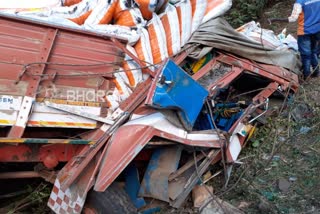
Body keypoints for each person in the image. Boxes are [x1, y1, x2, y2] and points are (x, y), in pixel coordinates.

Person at [270, 0, 320, 80]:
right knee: (314, 51)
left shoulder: (299, 2)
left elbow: (293, 18)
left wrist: (274, 19)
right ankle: (316, 72)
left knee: (305, 55)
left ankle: (306, 76)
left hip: (305, 32)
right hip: (317, 30)